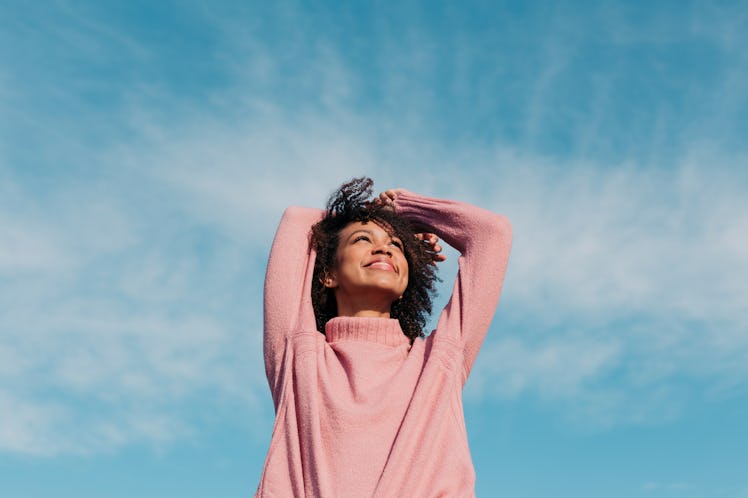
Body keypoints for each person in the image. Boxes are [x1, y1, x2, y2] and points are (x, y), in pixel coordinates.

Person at [256, 177, 512, 497]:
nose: (383, 247)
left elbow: (491, 233)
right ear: (327, 273)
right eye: (363, 239)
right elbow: (297, 220)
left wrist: (405, 209)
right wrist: (369, 215)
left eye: (397, 245)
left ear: (408, 276)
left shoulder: (438, 362)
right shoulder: (298, 354)